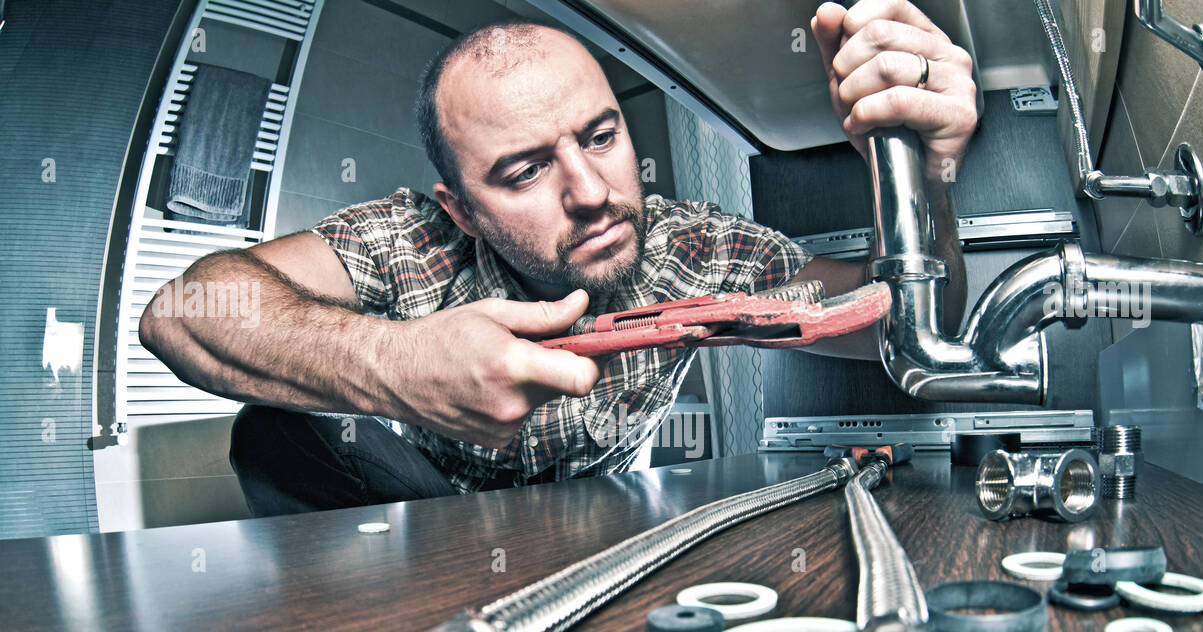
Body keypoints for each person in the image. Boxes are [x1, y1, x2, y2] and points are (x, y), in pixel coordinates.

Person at [140, 0, 977, 516]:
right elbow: (180, 313)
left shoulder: (696, 250)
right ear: (460, 209)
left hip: (605, 525)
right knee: (273, 433)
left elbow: (902, 327)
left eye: (602, 136)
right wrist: (393, 361)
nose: (590, 191)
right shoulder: (413, 244)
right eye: (526, 170)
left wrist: (922, 179)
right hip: (434, 532)